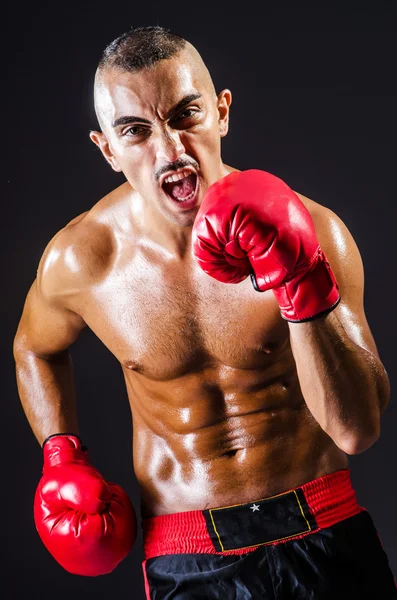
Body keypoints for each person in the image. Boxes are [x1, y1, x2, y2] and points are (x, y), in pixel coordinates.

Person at [13, 25, 396, 599]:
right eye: (135, 131)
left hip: (323, 528)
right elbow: (34, 347)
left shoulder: (314, 231)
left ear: (221, 113)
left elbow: (357, 429)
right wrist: (60, 455)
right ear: (108, 149)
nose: (168, 149)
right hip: (187, 553)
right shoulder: (82, 260)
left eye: (185, 114)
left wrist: (299, 277)